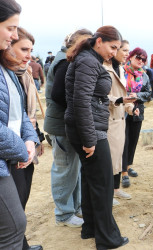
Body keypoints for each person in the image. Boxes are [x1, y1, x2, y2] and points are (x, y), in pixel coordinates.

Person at [64, 25, 129, 249]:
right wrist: (89, 139)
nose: (114, 52)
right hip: (90, 130)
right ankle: (108, 238)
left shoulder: (88, 59)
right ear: (98, 41)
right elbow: (81, 102)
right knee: (102, 183)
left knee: (93, 180)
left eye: (117, 48)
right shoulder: (88, 61)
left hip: (88, 128)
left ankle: (90, 228)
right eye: (112, 47)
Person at [0, 1, 39, 249]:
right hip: (9, 157)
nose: (15, 34)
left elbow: (21, 114)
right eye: (10, 28)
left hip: (12, 156)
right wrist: (22, 149)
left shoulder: (8, 71)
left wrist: (30, 139)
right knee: (13, 226)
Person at [45, 29, 92, 229]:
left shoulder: (68, 58)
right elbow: (58, 95)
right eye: (85, 43)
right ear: (76, 43)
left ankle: (75, 207)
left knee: (74, 169)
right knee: (64, 169)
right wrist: (78, 109)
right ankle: (64, 214)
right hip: (61, 125)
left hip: (66, 124)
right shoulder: (64, 61)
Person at [103, 40, 137, 203]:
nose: (126, 54)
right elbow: (103, 96)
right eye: (123, 50)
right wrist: (119, 100)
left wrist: (130, 107)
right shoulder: (104, 68)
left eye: (127, 51)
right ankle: (108, 193)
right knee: (110, 158)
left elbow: (123, 94)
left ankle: (116, 189)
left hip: (120, 119)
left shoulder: (120, 69)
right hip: (110, 119)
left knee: (118, 157)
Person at [121, 47, 151, 188]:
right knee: (124, 141)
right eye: (138, 57)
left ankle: (127, 166)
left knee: (132, 141)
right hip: (122, 111)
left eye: (143, 59)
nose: (141, 61)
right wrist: (128, 96)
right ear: (131, 57)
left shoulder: (144, 75)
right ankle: (123, 172)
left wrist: (137, 96)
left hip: (138, 110)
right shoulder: (121, 72)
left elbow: (149, 94)